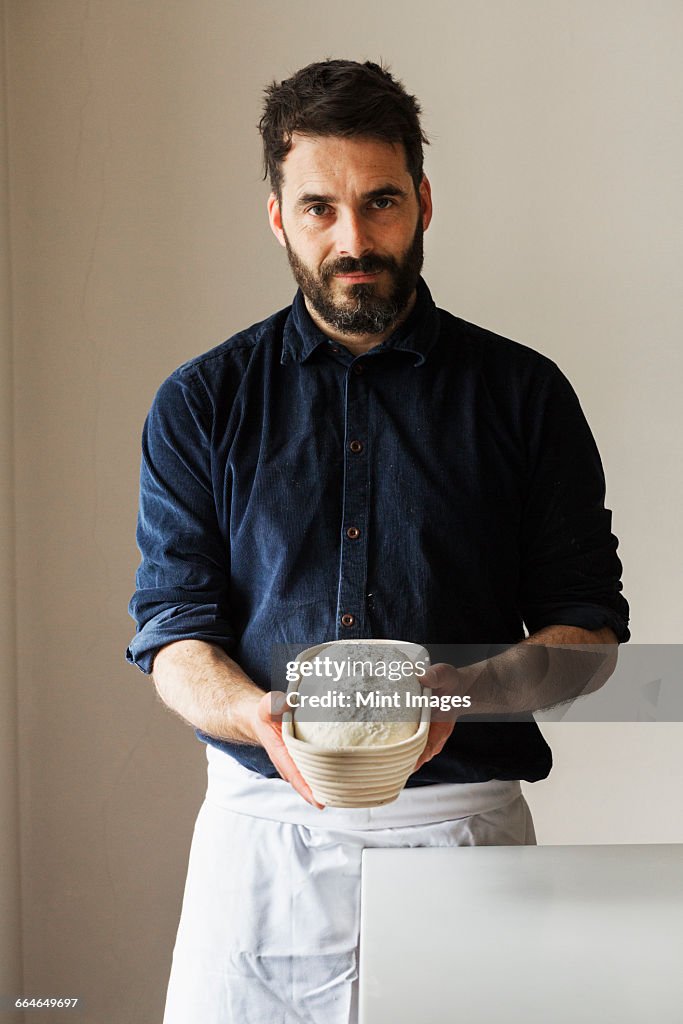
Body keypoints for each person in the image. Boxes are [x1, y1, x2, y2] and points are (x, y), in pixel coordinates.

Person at [126, 59, 629, 1024]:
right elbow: (174, 637)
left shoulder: (524, 397)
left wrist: (464, 688)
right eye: (319, 207)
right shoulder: (201, 401)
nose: (353, 239)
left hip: (464, 838)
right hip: (263, 851)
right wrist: (259, 715)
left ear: (423, 201)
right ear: (277, 214)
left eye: (380, 201)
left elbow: (589, 641)